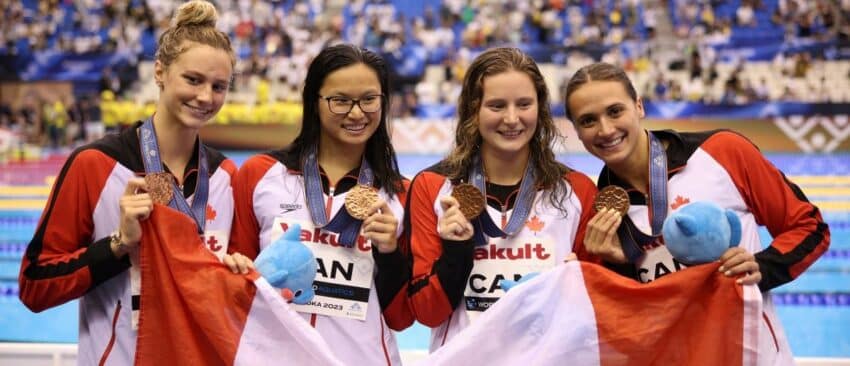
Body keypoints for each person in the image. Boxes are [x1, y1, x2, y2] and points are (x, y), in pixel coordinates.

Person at [18, 2, 241, 364]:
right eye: (193, 79)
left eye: (219, 86)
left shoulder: (227, 177)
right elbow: (35, 286)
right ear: (159, 72)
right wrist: (119, 245)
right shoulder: (94, 166)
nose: (205, 97)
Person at [564, 62, 830, 363]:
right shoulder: (602, 213)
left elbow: (810, 226)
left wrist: (762, 266)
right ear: (577, 132)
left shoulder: (722, 152)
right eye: (588, 121)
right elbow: (631, 322)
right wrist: (617, 265)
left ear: (639, 106)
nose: (606, 129)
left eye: (615, 111)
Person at [228, 44, 412, 365]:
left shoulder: (402, 195)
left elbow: (401, 318)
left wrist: (390, 253)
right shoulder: (260, 175)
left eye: (369, 99)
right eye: (340, 100)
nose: (357, 113)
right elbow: (236, 286)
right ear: (314, 101)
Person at [405, 47, 598, 352]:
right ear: (474, 109)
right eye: (496, 105)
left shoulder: (578, 190)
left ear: (540, 108)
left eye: (524, 104)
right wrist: (455, 253)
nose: (511, 118)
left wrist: (574, 286)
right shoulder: (433, 187)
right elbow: (427, 313)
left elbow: (593, 315)